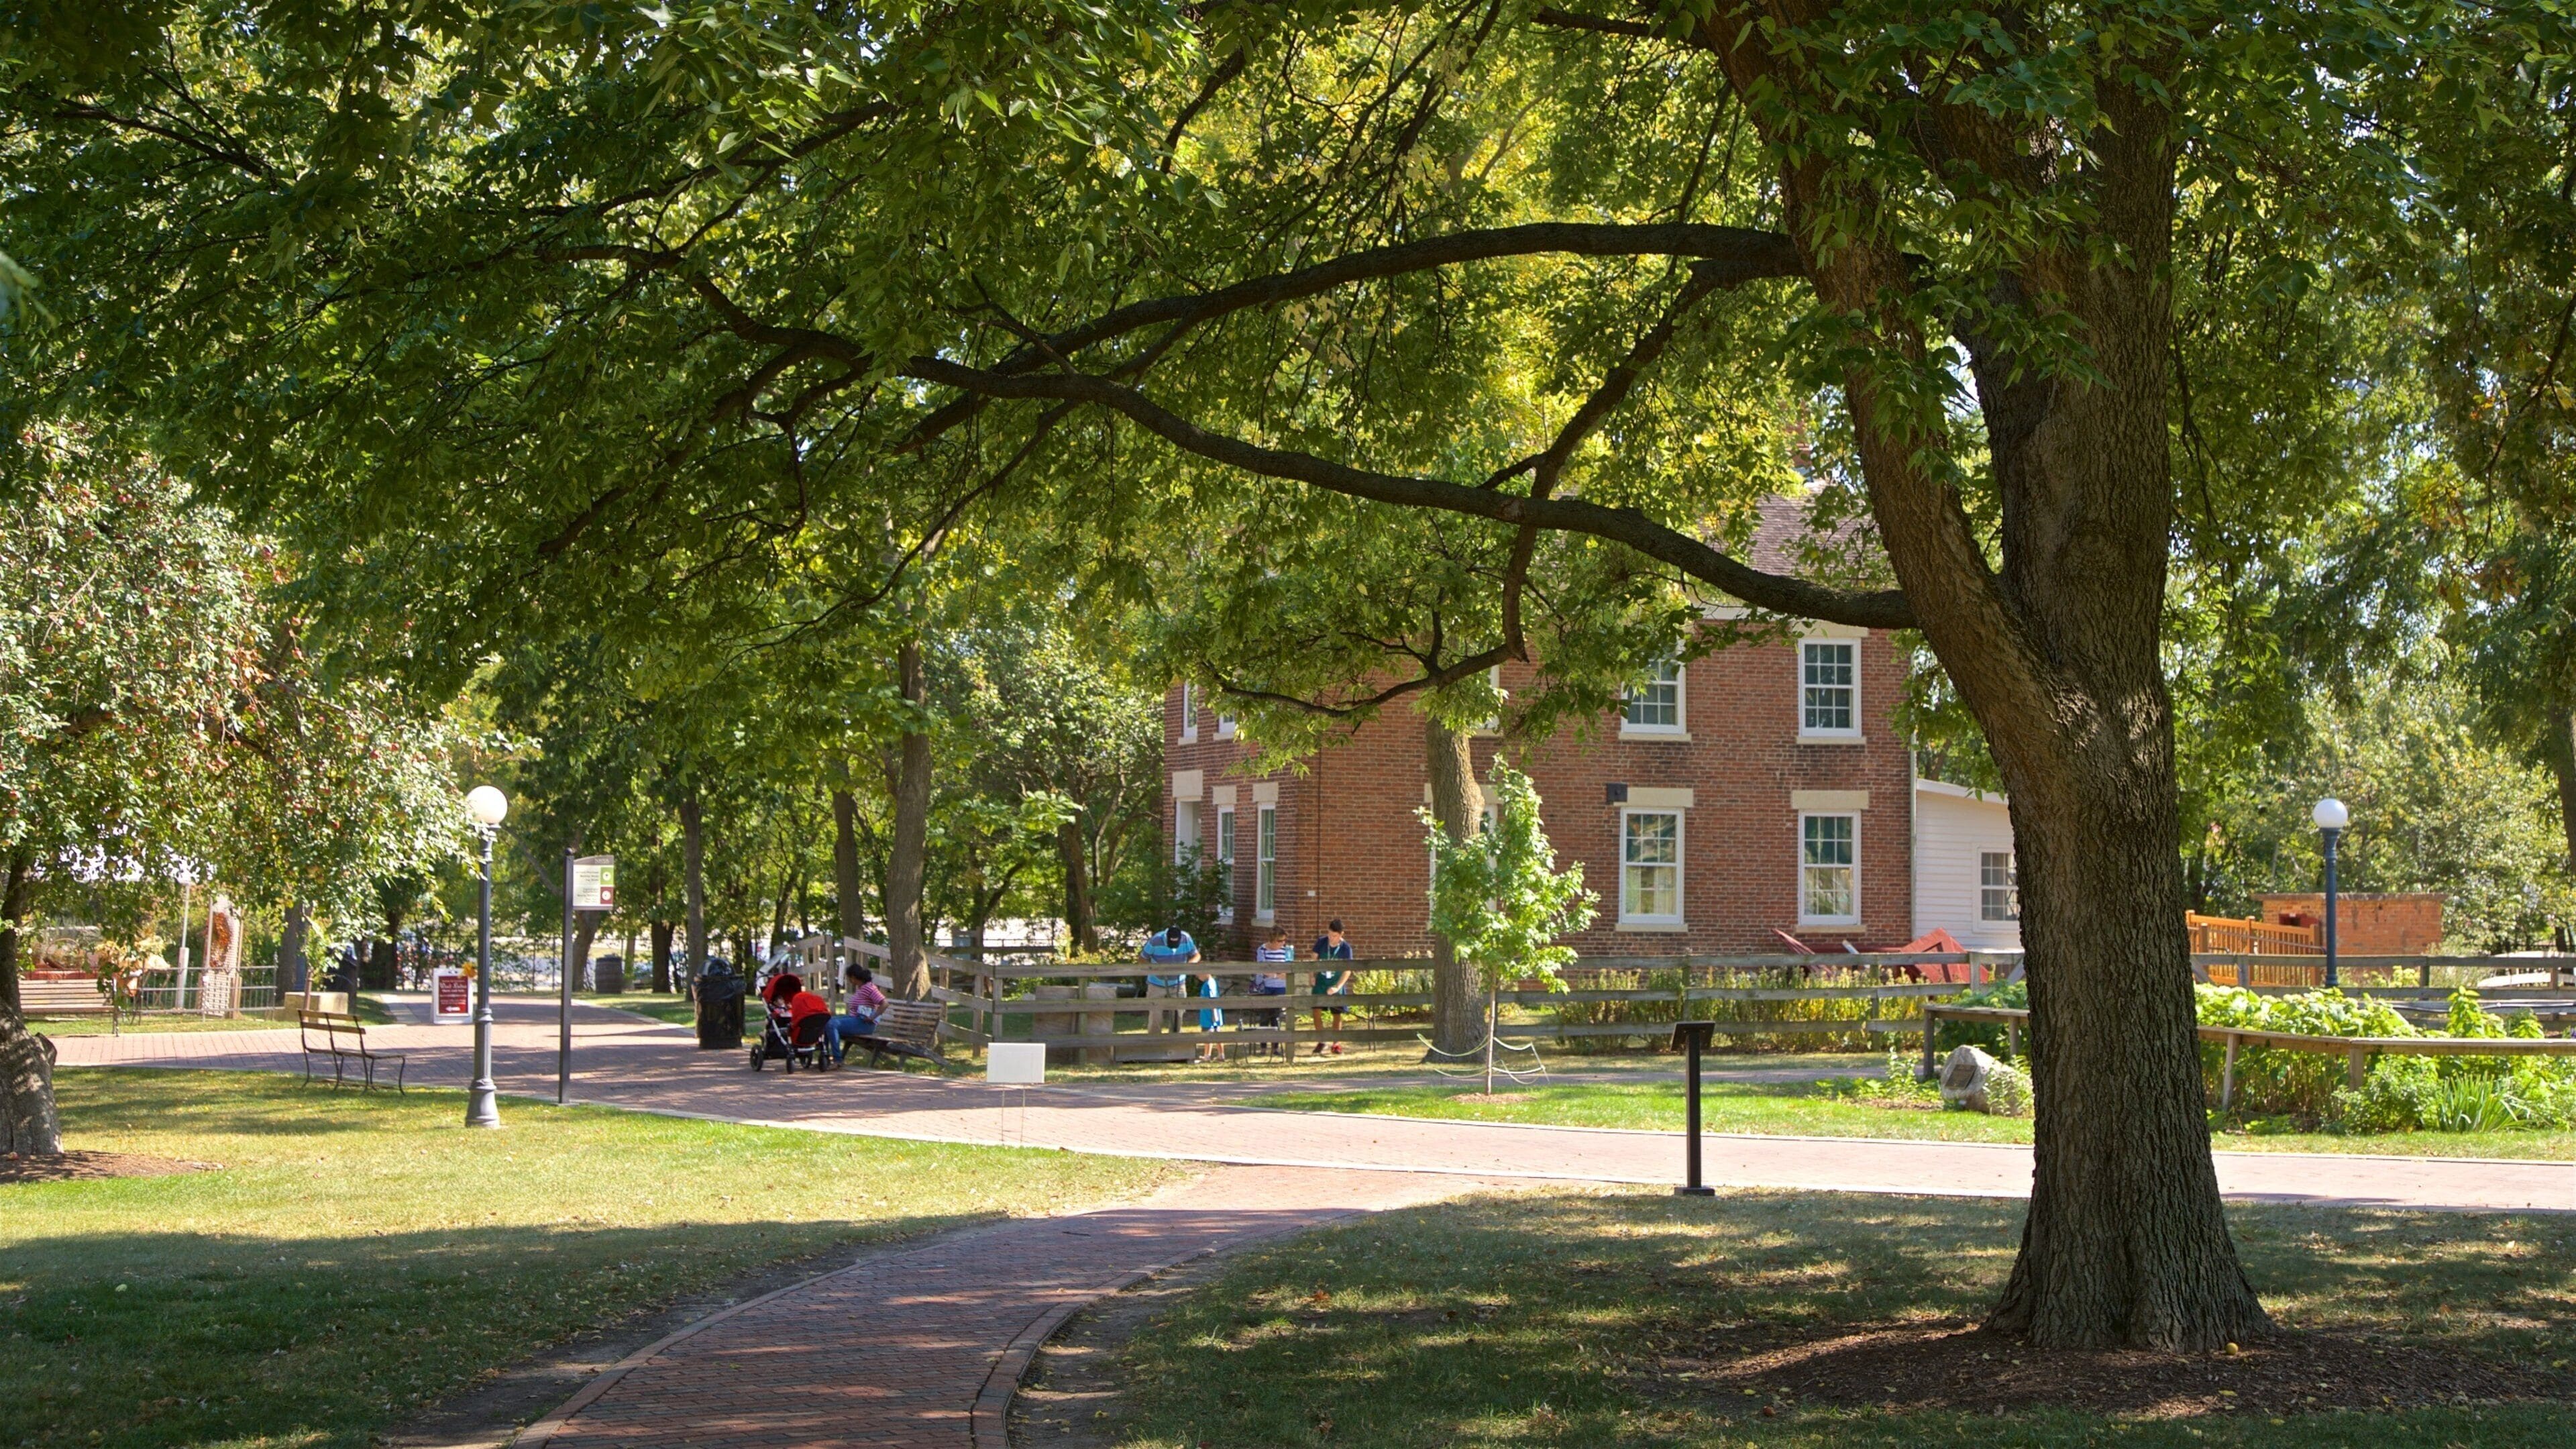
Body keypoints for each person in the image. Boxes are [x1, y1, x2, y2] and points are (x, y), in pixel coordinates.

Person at [1140, 926, 1198, 1036]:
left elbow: (1196, 955)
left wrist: (1189, 966)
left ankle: (1174, 1043)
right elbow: (1142, 959)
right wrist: (1154, 970)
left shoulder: (1186, 939)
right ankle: (1154, 1043)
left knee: (1178, 1015)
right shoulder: (1155, 940)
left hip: (1178, 983)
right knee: (1155, 1016)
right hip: (1156, 984)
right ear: (1166, 937)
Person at [826, 965, 888, 1064]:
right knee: (826, 1021)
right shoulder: (861, 988)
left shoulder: (869, 988)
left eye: (849, 978)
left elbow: (885, 1004)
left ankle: (837, 1060)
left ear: (853, 977)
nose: (849, 981)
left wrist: (873, 1017)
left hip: (865, 1023)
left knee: (832, 1025)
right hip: (856, 1020)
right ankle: (825, 1056)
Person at [1309, 919, 1354, 1056]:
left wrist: (1337, 986)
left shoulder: (1346, 948)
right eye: (1330, 934)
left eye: (1335, 936)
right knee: (1316, 1010)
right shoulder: (1321, 942)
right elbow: (1313, 960)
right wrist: (1312, 976)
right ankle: (1321, 1040)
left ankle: (1336, 1044)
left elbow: (1348, 970)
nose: (1331, 938)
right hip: (1321, 982)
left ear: (1341, 935)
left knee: (1337, 1014)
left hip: (1336, 982)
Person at [1251, 928, 1293, 1057]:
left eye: (1284, 941)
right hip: (1266, 987)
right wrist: (1276, 975)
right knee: (1264, 1017)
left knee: (1276, 1017)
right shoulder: (1262, 950)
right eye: (1280, 941)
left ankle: (1275, 1047)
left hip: (1281, 987)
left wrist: (1282, 975)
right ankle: (1263, 1047)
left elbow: (1290, 968)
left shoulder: (1287, 950)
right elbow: (1263, 969)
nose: (1282, 943)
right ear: (1272, 940)